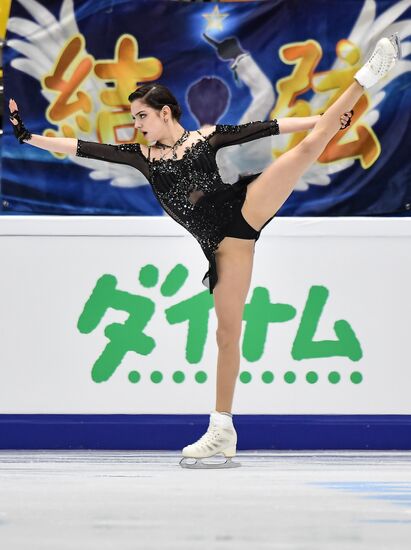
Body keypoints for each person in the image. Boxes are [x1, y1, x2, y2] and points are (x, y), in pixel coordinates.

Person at [9, 33, 401, 469]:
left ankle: (366, 75)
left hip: (243, 210)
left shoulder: (207, 138)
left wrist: (321, 122)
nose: (137, 123)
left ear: (165, 112)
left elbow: (268, 127)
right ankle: (222, 429)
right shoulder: (141, 157)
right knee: (226, 334)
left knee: (309, 148)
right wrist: (28, 137)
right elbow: (82, 148)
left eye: (143, 116)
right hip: (221, 248)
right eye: (134, 117)